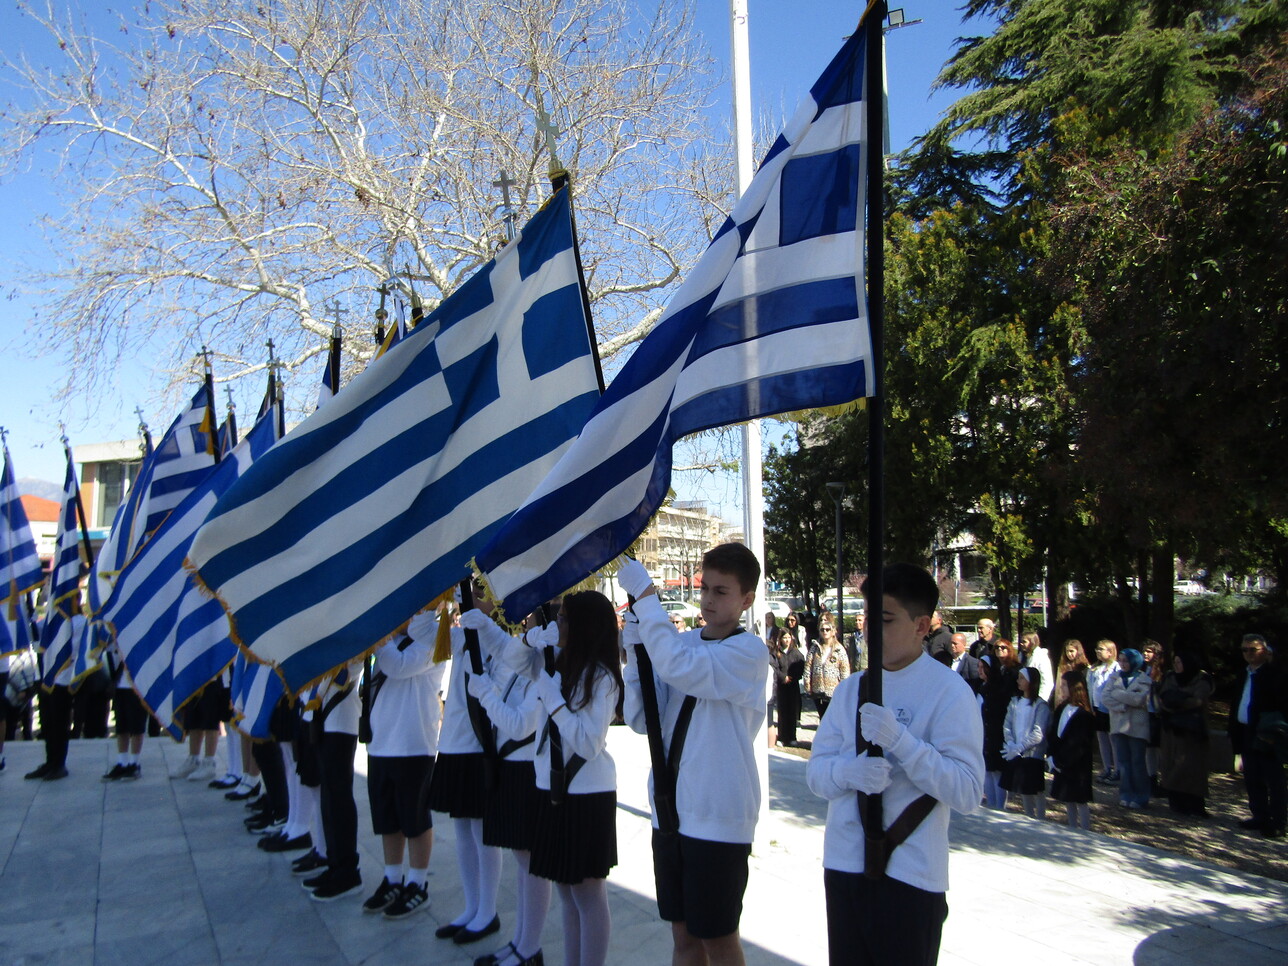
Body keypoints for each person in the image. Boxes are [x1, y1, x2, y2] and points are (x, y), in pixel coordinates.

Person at [806, 563, 983, 966]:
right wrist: (846, 772)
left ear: (922, 626)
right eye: (867, 618)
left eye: (885, 619)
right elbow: (816, 773)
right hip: (845, 865)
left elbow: (968, 791)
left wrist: (903, 744)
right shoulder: (853, 689)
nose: (870, 629)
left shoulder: (949, 692)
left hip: (912, 874)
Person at [619, 544, 767, 966]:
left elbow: (683, 667)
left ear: (746, 600)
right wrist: (636, 658)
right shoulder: (680, 645)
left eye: (721, 592)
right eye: (705, 588)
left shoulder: (749, 652)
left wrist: (648, 602)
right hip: (670, 811)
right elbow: (642, 719)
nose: (707, 599)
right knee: (682, 939)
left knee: (718, 941)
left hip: (718, 817)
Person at [526, 591, 623, 966]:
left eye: (565, 619)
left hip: (586, 792)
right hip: (553, 789)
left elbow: (587, 742)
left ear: (584, 626)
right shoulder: (564, 666)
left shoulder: (601, 677)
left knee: (587, 893)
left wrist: (554, 702)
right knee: (566, 892)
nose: (558, 624)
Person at [344, 610, 447, 916]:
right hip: (382, 742)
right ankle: (392, 878)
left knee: (414, 819)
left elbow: (398, 666)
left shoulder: (432, 641)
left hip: (413, 742)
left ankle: (417, 882)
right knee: (387, 817)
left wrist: (376, 638)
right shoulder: (390, 642)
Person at [466, 612, 554, 966]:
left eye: (534, 621)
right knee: (522, 863)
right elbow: (504, 649)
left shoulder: (544, 672)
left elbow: (520, 726)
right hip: (510, 768)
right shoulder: (525, 665)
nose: (526, 624)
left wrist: (485, 693)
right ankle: (520, 941)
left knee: (531, 864)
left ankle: (530, 947)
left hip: (526, 771)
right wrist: (485, 626)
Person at [428, 594, 505, 945]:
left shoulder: (499, 639)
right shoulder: (458, 636)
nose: (471, 598)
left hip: (479, 744)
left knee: (482, 832)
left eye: (481, 593)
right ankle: (471, 906)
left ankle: (487, 910)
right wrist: (436, 600)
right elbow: (422, 632)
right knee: (461, 828)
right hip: (454, 741)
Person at [1229, 634, 1287, 838]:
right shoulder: (1243, 674)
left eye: (1252, 650)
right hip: (1246, 730)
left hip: (1267, 732)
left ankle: (1278, 821)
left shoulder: (1275, 674)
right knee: (1252, 777)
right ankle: (1259, 815)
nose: (1248, 654)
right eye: (1244, 650)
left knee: (1274, 779)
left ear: (1264, 650)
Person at [1157, 652, 1213, 818]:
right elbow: (1163, 698)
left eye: (1180, 662)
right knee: (1171, 764)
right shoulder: (1170, 677)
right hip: (1171, 730)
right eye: (1175, 662)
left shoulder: (1201, 679)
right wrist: (1173, 703)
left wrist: (1177, 702)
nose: (1176, 665)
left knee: (1191, 767)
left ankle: (1195, 805)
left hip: (1192, 730)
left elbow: (1197, 700)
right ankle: (1176, 802)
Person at [1102, 648, 1152, 809]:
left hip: (1137, 727)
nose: (1123, 664)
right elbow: (1105, 698)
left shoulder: (1144, 679)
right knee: (1123, 763)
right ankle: (1126, 794)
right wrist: (1124, 703)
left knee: (1137, 762)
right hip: (1117, 725)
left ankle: (1141, 796)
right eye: (1121, 661)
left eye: (1126, 661)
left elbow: (1140, 699)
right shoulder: (1114, 677)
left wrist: (1118, 694)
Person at [1000, 665, 1049, 819]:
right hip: (1016, 751)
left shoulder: (1040, 705)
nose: (1018, 681)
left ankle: (1040, 819)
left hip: (1032, 754)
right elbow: (1007, 724)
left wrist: (1021, 746)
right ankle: (1029, 816)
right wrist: (1010, 743)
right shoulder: (1015, 702)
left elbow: (1038, 732)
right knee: (1023, 789)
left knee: (1036, 789)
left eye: (1022, 678)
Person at [1048, 673, 1095, 830]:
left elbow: (1079, 743)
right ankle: (1072, 827)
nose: (1061, 689)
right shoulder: (1062, 708)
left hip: (1077, 764)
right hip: (1061, 760)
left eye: (1064, 686)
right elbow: (1054, 732)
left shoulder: (1084, 715)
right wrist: (1052, 756)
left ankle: (1085, 830)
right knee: (1068, 797)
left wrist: (1062, 761)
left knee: (1080, 799)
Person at [980, 639, 1018, 808]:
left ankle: (999, 805)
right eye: (996, 648)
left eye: (1003, 648)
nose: (999, 650)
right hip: (985, 730)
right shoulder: (981, 686)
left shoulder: (1000, 683)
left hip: (997, 728)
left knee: (997, 769)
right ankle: (991, 803)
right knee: (988, 769)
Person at [805, 619, 850, 721]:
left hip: (834, 691)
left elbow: (845, 671)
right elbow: (808, 667)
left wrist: (844, 690)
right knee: (822, 718)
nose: (825, 632)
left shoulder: (839, 649)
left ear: (833, 631)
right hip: (818, 690)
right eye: (822, 629)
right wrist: (808, 686)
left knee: (833, 719)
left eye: (827, 629)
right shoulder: (815, 648)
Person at [1088, 640, 1119, 782]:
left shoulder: (1116, 668)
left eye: (1101, 649)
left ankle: (1117, 769)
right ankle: (1107, 767)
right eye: (1097, 649)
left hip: (1111, 709)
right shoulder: (1096, 668)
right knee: (1102, 739)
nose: (1098, 652)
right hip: (1097, 707)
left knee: (1113, 740)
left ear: (1110, 651)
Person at [771, 627, 805, 747]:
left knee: (792, 711)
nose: (787, 640)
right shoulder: (777, 652)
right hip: (781, 686)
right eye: (784, 638)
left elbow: (801, 667)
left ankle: (792, 736)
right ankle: (782, 736)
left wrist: (791, 677)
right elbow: (774, 667)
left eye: (788, 637)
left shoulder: (796, 653)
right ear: (780, 639)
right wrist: (782, 677)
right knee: (782, 711)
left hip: (792, 685)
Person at [1018, 631, 1054, 704]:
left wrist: (1040, 700)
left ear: (1032, 642)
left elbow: (1047, 682)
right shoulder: (1022, 657)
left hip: (1036, 699)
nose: (1021, 644)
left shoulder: (1041, 657)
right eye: (1021, 641)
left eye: (1024, 641)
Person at [1052, 639, 1089, 707]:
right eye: (1067, 651)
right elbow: (1058, 687)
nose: (1069, 654)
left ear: (1078, 651)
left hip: (1080, 701)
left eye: (1071, 651)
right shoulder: (1062, 667)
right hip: (1064, 700)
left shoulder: (1084, 667)